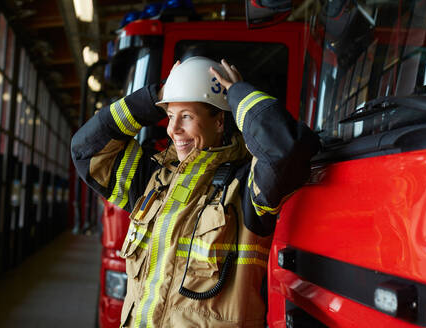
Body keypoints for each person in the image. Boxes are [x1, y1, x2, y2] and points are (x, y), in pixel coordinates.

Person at [71, 56, 319, 327]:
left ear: (220, 121)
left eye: (186, 116)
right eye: (169, 116)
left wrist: (238, 95)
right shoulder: (153, 182)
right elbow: (86, 151)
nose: (173, 129)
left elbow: (285, 150)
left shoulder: (246, 187)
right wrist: (156, 95)